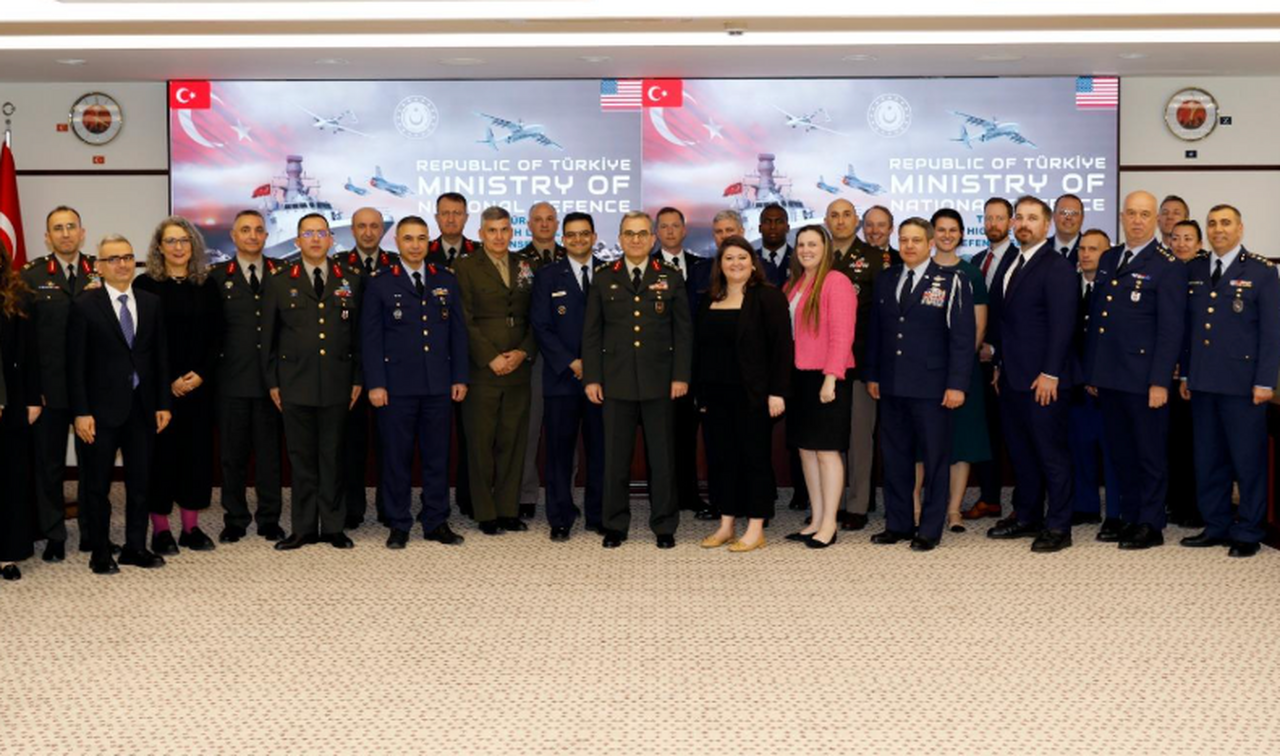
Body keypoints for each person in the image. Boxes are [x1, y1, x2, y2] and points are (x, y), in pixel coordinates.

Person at [583, 211, 692, 549]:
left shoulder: (670, 276)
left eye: (642, 233)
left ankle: (664, 524)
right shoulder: (604, 277)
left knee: (662, 458)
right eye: (629, 233)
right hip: (615, 382)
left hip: (660, 381)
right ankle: (615, 524)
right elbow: (592, 333)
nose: (635, 239)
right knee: (615, 459)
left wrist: (681, 376)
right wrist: (592, 378)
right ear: (620, 239)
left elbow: (683, 332)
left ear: (652, 238)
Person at [1085, 190, 1186, 549]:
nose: (1137, 220)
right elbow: (1098, 319)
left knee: (1149, 454)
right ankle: (1130, 516)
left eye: (1144, 214)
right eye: (1131, 213)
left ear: (1155, 220)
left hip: (1144, 379)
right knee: (1121, 453)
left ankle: (1151, 523)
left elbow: (1171, 330)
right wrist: (1094, 372)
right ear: (1122, 217)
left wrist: (1160, 381)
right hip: (1110, 376)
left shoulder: (1168, 265)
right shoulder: (1110, 257)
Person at [866, 218, 974, 550]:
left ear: (930, 244)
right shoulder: (887, 278)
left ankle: (929, 529)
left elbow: (962, 337)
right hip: (892, 384)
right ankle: (898, 523)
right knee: (895, 457)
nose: (909, 246)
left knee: (935, 460)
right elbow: (876, 332)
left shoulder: (951, 280)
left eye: (916, 240)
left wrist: (957, 384)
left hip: (933, 387)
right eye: (904, 240)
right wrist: (873, 374)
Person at [67, 234, 172, 574]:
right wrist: (81, 412)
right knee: (97, 486)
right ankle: (100, 551)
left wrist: (163, 403)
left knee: (140, 483)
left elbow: (160, 358)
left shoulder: (151, 303)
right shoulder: (84, 305)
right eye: (113, 259)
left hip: (142, 408)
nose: (122, 264)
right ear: (99, 266)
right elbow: (75, 365)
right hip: (99, 413)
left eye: (127, 257)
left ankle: (135, 547)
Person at [1179, 205, 1280, 557]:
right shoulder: (1195, 269)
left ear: (1240, 229)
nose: (1218, 229)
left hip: (1243, 385)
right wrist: (1187, 373)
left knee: (1247, 461)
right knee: (1208, 460)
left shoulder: (1261, 271)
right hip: (1203, 382)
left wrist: (1265, 381)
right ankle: (1216, 524)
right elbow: (1190, 329)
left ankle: (1249, 530)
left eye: (1225, 223)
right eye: (1212, 223)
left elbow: (1271, 332)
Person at [362, 215, 468, 549]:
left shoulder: (445, 279)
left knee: (438, 457)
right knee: (397, 458)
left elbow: (457, 333)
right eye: (408, 238)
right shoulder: (380, 282)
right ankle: (398, 522)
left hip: (438, 384)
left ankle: (436, 520)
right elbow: (370, 338)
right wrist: (376, 384)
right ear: (397, 242)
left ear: (428, 242)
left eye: (421, 238)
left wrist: (459, 376)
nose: (415, 245)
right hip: (396, 387)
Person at [261, 213, 363, 551]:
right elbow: (268, 338)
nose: (316, 239)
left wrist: (358, 378)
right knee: (302, 458)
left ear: (331, 239)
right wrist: (273, 382)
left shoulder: (350, 279)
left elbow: (359, 336)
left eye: (321, 233)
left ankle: (333, 526)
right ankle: (303, 527)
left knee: (333, 457)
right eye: (308, 233)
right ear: (297, 241)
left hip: (337, 381)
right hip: (295, 382)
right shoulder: (279, 281)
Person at [985, 196, 1077, 553]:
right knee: (1022, 454)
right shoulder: (1014, 262)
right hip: (1013, 378)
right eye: (1019, 217)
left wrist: (1051, 372)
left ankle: (1059, 526)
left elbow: (1063, 325)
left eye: (1032, 218)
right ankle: (1027, 517)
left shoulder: (1056, 266)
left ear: (1047, 225)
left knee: (1051, 456)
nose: (1024, 224)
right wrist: (999, 365)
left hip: (1044, 380)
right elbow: (1009, 324)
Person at [696, 236, 792, 553]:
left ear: (753, 263)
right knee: (721, 459)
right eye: (728, 258)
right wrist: (701, 394)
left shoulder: (768, 297)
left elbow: (782, 348)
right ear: (720, 265)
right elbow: (700, 350)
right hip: (716, 395)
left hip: (754, 395)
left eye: (741, 257)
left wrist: (777, 392)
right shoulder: (710, 298)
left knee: (754, 459)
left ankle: (755, 527)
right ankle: (726, 524)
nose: (735, 263)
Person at [134, 216, 222, 555]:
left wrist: (200, 374)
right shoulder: (145, 285)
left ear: (193, 245)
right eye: (171, 241)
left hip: (199, 387)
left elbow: (218, 336)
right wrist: (168, 381)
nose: (178, 247)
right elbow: (142, 342)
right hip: (160, 390)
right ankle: (160, 531)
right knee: (161, 459)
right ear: (159, 247)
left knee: (195, 458)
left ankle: (190, 528)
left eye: (184, 240)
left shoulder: (207, 284)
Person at [455, 206, 539, 535]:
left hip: (518, 367)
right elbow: (464, 319)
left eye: (504, 230)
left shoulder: (525, 265)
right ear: (481, 234)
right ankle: (485, 512)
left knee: (513, 443)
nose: (499, 236)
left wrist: (523, 351)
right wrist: (490, 357)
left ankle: (507, 509)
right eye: (492, 230)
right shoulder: (465, 267)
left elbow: (537, 315)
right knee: (480, 445)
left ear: (512, 232)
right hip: (482, 370)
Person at [21, 206, 95, 561]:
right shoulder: (32, 275)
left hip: (93, 391)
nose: (65, 234)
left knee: (92, 465)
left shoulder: (100, 270)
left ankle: (92, 532)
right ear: (47, 237)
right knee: (49, 466)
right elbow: (24, 341)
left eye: (71, 227)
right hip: (49, 390)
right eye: (57, 228)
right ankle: (53, 534)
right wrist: (31, 390)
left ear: (82, 232)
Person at [208, 210, 285, 543]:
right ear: (234, 236)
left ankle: (269, 518)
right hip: (231, 380)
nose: (252, 235)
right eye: (245, 230)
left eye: (258, 230)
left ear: (266, 236)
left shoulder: (283, 274)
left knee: (270, 456)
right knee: (232, 456)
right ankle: (235, 518)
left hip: (273, 382)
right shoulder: (215, 277)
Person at [912, 209, 989, 533]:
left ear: (960, 235)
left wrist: (957, 369)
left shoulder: (971, 274)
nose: (946, 235)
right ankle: (916, 508)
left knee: (961, 443)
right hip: (923, 374)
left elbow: (978, 327)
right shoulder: (918, 269)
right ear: (932, 235)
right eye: (940, 230)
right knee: (919, 445)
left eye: (952, 230)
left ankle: (954, 510)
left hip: (961, 373)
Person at [530, 212, 605, 541]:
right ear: (563, 239)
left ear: (594, 237)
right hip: (561, 378)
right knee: (559, 454)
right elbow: (541, 326)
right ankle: (560, 517)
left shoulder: (609, 272)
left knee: (600, 451)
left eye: (584, 234)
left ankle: (598, 514)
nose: (578, 240)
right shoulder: (548, 276)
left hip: (601, 379)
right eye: (571, 235)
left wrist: (595, 365)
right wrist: (571, 362)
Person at [783, 225, 856, 548]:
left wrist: (831, 378)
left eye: (813, 244)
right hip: (799, 376)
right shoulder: (795, 283)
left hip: (827, 376)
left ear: (825, 248)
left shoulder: (836, 282)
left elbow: (842, 334)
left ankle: (829, 524)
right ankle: (815, 518)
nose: (806, 250)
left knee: (826, 451)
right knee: (806, 451)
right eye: (801, 244)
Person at [826, 198, 885, 531]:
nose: (840, 221)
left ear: (856, 221)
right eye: (834, 215)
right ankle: (831, 503)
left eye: (846, 215)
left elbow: (881, 317)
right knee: (829, 435)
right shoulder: (817, 255)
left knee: (860, 436)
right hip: (824, 362)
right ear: (826, 221)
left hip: (861, 360)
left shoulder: (875, 258)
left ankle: (858, 504)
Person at [339, 207, 399, 530]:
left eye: (374, 226)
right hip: (349, 369)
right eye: (361, 226)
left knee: (390, 444)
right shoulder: (337, 267)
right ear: (352, 229)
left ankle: (389, 507)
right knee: (352, 443)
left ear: (382, 230)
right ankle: (353, 508)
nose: (368, 232)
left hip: (390, 369)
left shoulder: (396, 265)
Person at [654, 206, 712, 518]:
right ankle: (664, 497)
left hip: (694, 364)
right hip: (658, 365)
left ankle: (690, 494)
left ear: (684, 230)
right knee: (661, 436)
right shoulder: (646, 267)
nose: (670, 231)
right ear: (656, 232)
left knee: (689, 433)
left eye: (675, 225)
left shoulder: (702, 267)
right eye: (664, 226)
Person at [426, 192, 479, 517]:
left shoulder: (480, 253)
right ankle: (434, 502)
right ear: (436, 217)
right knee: (433, 439)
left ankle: (469, 499)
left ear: (466, 217)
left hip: (472, 359)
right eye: (445, 213)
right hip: (430, 361)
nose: (450, 219)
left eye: (457, 213)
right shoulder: (422, 251)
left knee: (470, 435)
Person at [964, 197, 1016, 522]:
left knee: (1011, 435)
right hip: (975, 364)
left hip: (1007, 363)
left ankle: (1022, 504)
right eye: (988, 218)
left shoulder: (1018, 260)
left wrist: (995, 348)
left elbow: (1016, 316)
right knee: (984, 432)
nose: (993, 224)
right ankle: (989, 498)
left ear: (1010, 222)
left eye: (999, 218)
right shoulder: (976, 260)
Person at [1067, 229, 1122, 526]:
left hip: (1108, 383)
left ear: (1108, 254)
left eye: (1094, 249)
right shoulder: (1067, 285)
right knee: (1079, 446)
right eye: (1082, 248)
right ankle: (1085, 506)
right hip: (1075, 381)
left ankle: (1115, 512)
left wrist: (1099, 375)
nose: (1086, 254)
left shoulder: (1116, 288)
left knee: (1113, 450)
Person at [516, 202, 565, 519]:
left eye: (550, 219)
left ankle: (565, 494)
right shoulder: (517, 261)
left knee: (564, 431)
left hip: (565, 357)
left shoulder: (571, 257)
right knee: (529, 428)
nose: (544, 224)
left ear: (557, 224)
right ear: (529, 224)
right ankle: (526, 494)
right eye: (538, 220)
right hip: (532, 356)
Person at [0, 240, 40, 580]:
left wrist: (32, 399)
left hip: (11, 401)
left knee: (10, 479)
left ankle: (7, 553)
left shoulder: (18, 296)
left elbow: (29, 353)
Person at [1165, 218, 1204, 526]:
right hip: (1165, 372)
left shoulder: (1204, 274)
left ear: (1199, 244)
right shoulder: (1165, 269)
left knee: (1194, 444)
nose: (1181, 244)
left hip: (1195, 373)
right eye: (1176, 238)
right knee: (1171, 442)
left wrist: (1185, 365)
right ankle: (1174, 502)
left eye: (1188, 238)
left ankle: (1193, 507)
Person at [757, 203, 793, 287]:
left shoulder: (798, 259)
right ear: (760, 228)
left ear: (787, 228)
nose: (773, 227)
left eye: (779, 222)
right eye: (767, 222)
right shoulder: (751, 260)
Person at [1051, 194, 1085, 261]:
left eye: (1074, 213)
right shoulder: (1040, 249)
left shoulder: (1090, 249)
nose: (1069, 217)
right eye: (1063, 213)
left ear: (1082, 218)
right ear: (1054, 216)